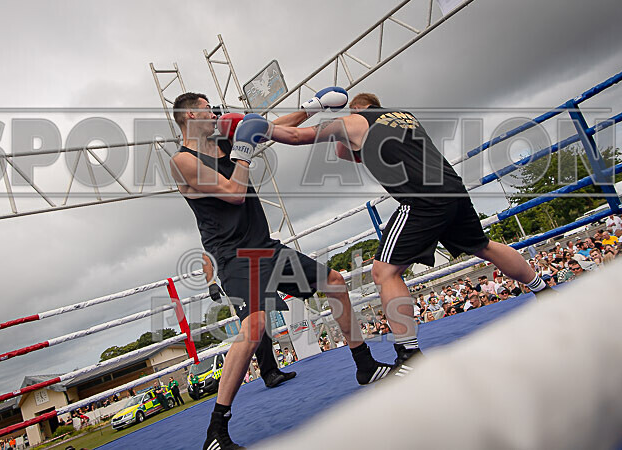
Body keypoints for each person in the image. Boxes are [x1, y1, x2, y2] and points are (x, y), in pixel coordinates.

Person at [263, 91, 555, 368]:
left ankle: (409, 351)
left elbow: (296, 136)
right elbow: (348, 153)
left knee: (384, 272)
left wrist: (316, 108)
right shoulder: (403, 115)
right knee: (484, 246)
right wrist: (342, 127)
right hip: (451, 188)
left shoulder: (355, 121)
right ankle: (543, 290)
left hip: (421, 199)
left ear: (358, 110)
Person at [169, 92, 392, 450]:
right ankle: (216, 430)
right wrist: (242, 150)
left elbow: (271, 129)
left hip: (265, 246)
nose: (214, 112)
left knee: (334, 282)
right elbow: (233, 192)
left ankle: (364, 363)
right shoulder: (182, 161)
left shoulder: (226, 138)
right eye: (206, 107)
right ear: (190, 115)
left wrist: (312, 108)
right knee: (254, 326)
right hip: (233, 256)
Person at [201, 253, 296, 389]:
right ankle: (229, 388)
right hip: (235, 282)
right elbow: (206, 256)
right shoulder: (215, 234)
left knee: (263, 321)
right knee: (254, 324)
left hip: (253, 274)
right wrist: (211, 283)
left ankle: (271, 370)